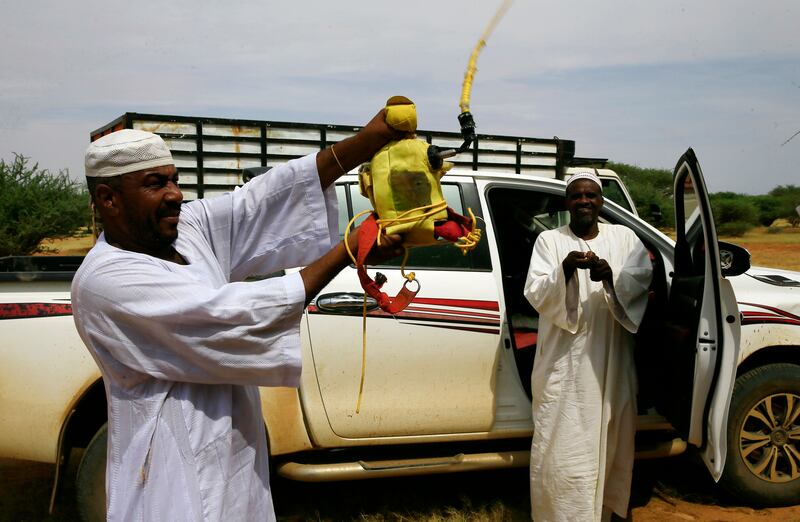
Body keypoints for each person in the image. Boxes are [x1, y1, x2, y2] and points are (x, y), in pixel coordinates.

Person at [71, 107, 407, 521]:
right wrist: (350, 248)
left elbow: (265, 198)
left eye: (174, 180)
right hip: (168, 476)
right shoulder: (107, 280)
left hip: (234, 459)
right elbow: (228, 316)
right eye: (155, 184)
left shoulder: (186, 228)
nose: (175, 193)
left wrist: (370, 139)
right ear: (109, 198)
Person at [523, 172, 653, 522]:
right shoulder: (549, 241)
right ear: (567, 202)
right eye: (577, 195)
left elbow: (642, 276)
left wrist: (610, 275)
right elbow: (535, 291)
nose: (584, 201)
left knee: (615, 433)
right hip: (564, 364)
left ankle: (607, 509)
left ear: (601, 201)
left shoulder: (624, 237)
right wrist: (565, 269)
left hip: (611, 361)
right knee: (562, 442)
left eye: (591, 195)